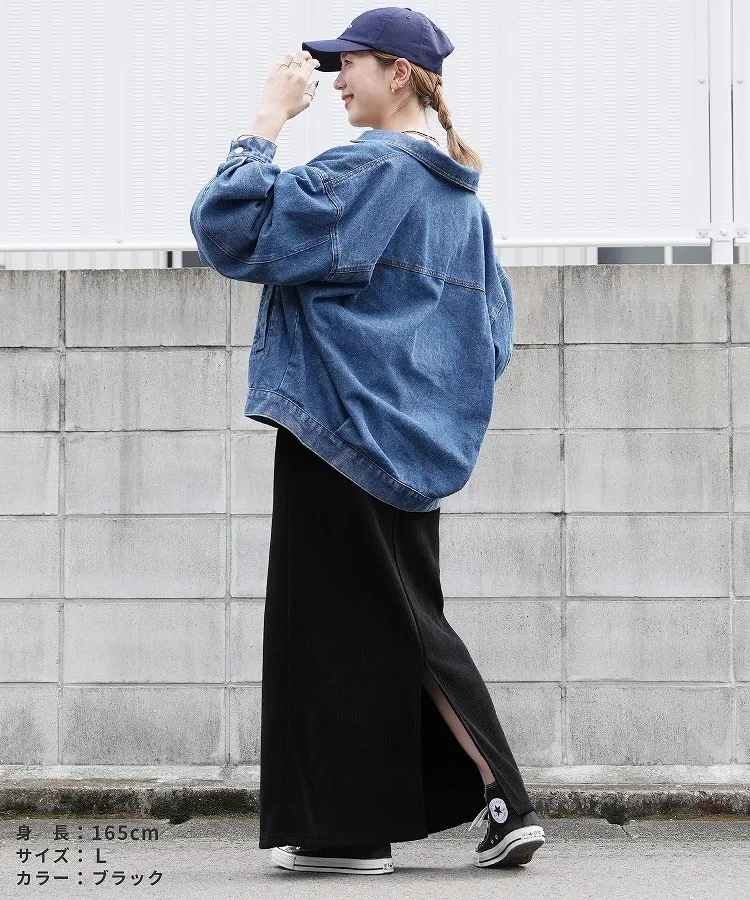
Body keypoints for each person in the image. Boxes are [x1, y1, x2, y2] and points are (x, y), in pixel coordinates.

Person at [190, 4, 545, 877]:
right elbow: (492, 339)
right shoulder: (461, 202)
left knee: (334, 632)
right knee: (396, 620)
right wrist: (418, 394)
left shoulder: (367, 169)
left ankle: (349, 834)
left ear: (399, 72)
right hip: (410, 446)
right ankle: (497, 798)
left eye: (349, 62)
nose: (335, 78)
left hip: (337, 431)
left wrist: (265, 123)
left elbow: (232, 231)